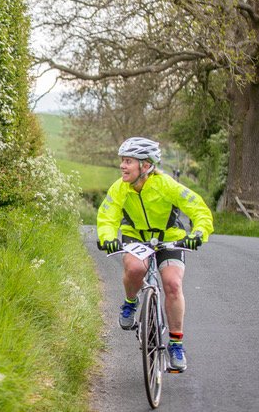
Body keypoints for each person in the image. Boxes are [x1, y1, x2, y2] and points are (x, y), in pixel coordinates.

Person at [96, 136, 214, 372]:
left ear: (146, 166)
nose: (122, 166)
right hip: (135, 236)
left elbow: (198, 208)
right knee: (136, 268)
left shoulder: (166, 185)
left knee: (172, 284)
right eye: (122, 160)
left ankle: (176, 344)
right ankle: (131, 302)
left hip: (169, 236)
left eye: (128, 161)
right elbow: (107, 216)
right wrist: (107, 238)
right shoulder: (120, 188)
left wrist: (199, 232)